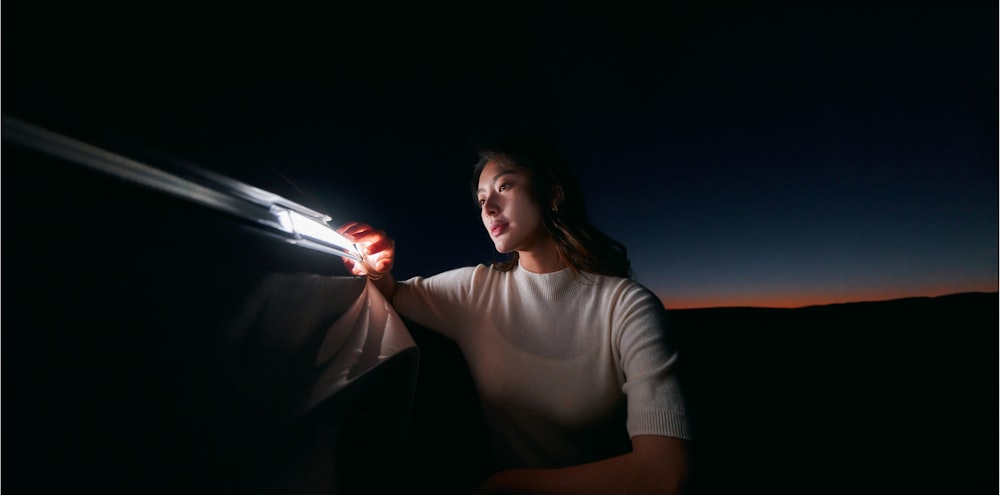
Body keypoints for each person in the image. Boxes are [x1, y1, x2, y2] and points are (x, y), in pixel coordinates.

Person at [337, 136, 690, 495]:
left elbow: (664, 472)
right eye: (480, 199)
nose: (488, 208)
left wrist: (509, 485)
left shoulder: (627, 306)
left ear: (553, 194)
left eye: (504, 186)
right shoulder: (475, 290)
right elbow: (392, 295)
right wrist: (376, 265)